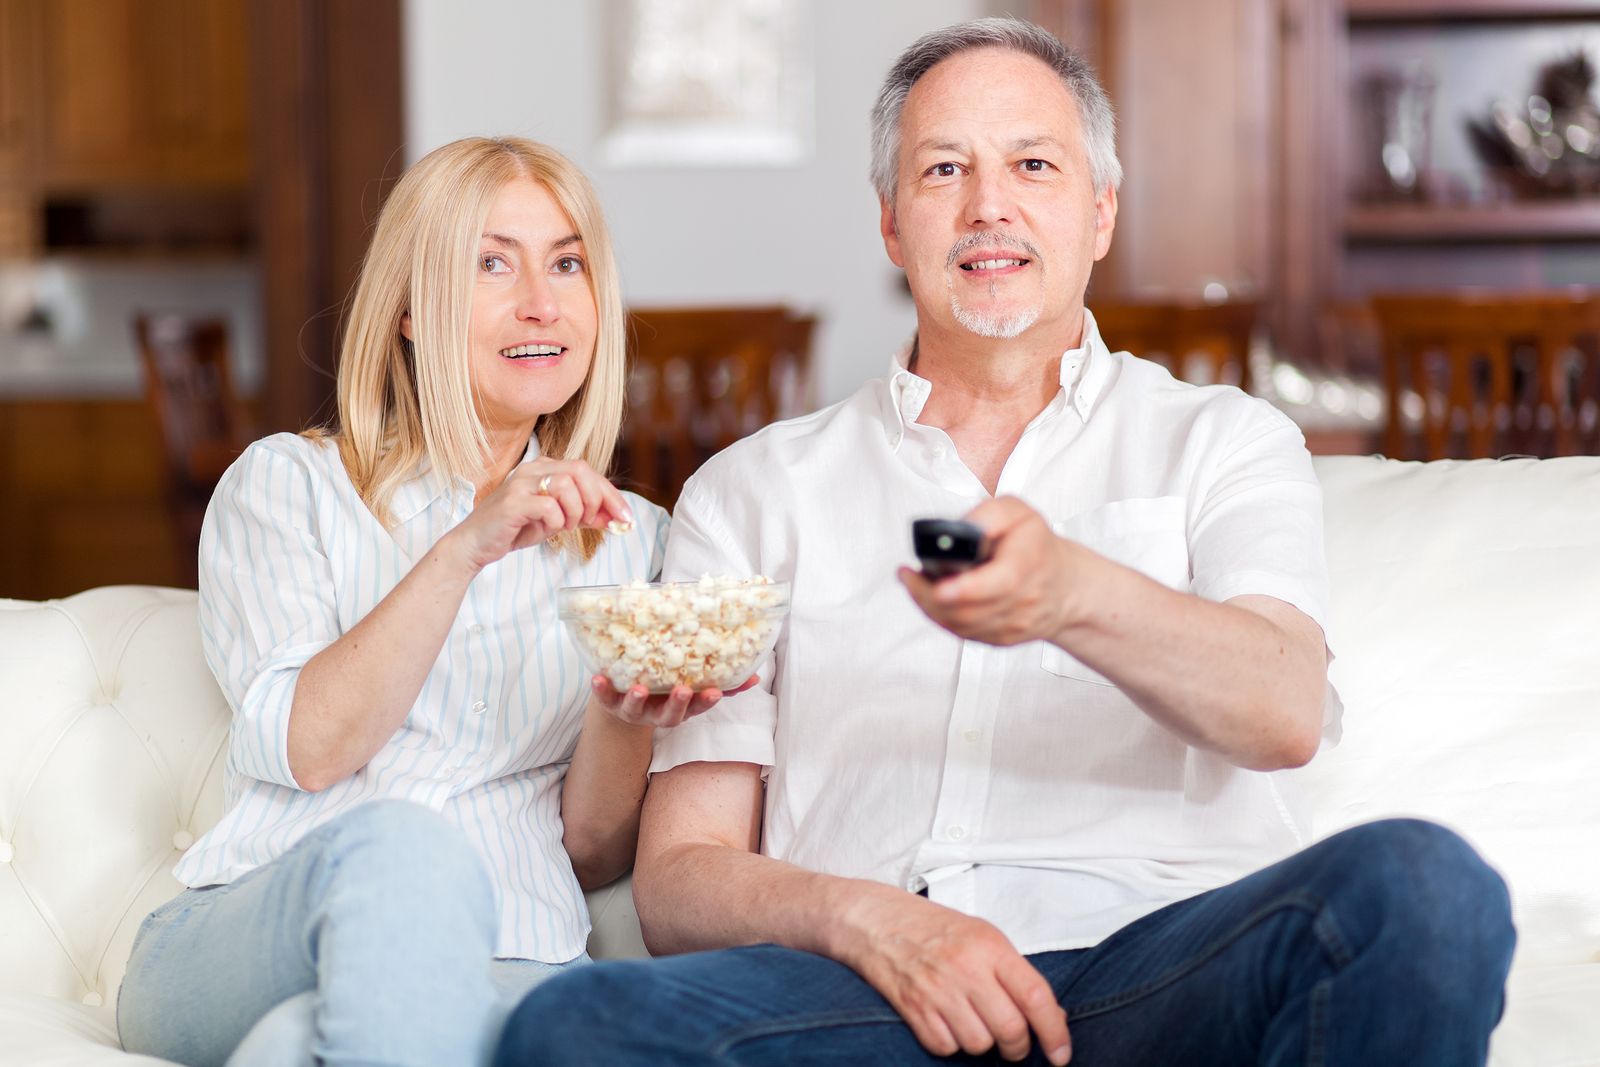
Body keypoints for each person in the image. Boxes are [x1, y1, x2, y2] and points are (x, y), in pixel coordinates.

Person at [495, 18, 1516, 1067]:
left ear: (1100, 210)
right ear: (891, 223)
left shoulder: (1224, 440)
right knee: (574, 1024)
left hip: (1159, 973)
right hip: (873, 988)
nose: (990, 205)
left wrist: (1073, 594)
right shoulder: (754, 490)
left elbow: (1283, 709)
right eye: (945, 169)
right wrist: (873, 925)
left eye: (1034, 163)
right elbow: (677, 877)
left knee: (1423, 889)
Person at [116, 136, 743, 1067]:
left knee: (297, 1047)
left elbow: (593, 856)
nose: (542, 301)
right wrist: (463, 550)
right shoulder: (289, 486)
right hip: (251, 940)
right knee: (405, 849)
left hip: (516, 950)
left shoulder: (636, 540)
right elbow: (314, 746)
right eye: (493, 262)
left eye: (567, 263)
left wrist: (621, 716)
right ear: (410, 309)